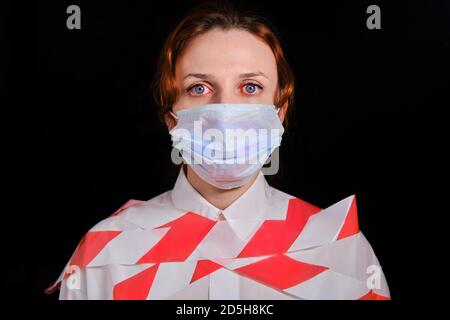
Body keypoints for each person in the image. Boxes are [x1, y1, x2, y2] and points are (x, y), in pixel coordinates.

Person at [46, 0, 390, 300]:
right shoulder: (104, 254)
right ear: (170, 117)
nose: (226, 109)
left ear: (280, 112)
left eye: (250, 86)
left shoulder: (343, 249)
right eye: (199, 87)